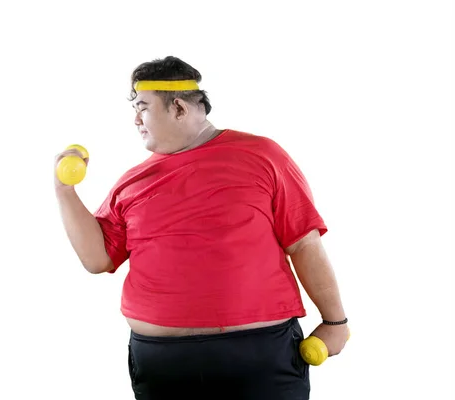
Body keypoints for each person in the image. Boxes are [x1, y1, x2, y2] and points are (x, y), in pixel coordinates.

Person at [54, 56, 349, 399]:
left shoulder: (262, 155)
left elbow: (304, 243)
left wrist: (335, 323)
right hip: (161, 364)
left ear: (178, 107)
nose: (135, 119)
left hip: (258, 357)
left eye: (142, 107)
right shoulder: (131, 182)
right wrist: (65, 191)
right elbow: (97, 259)